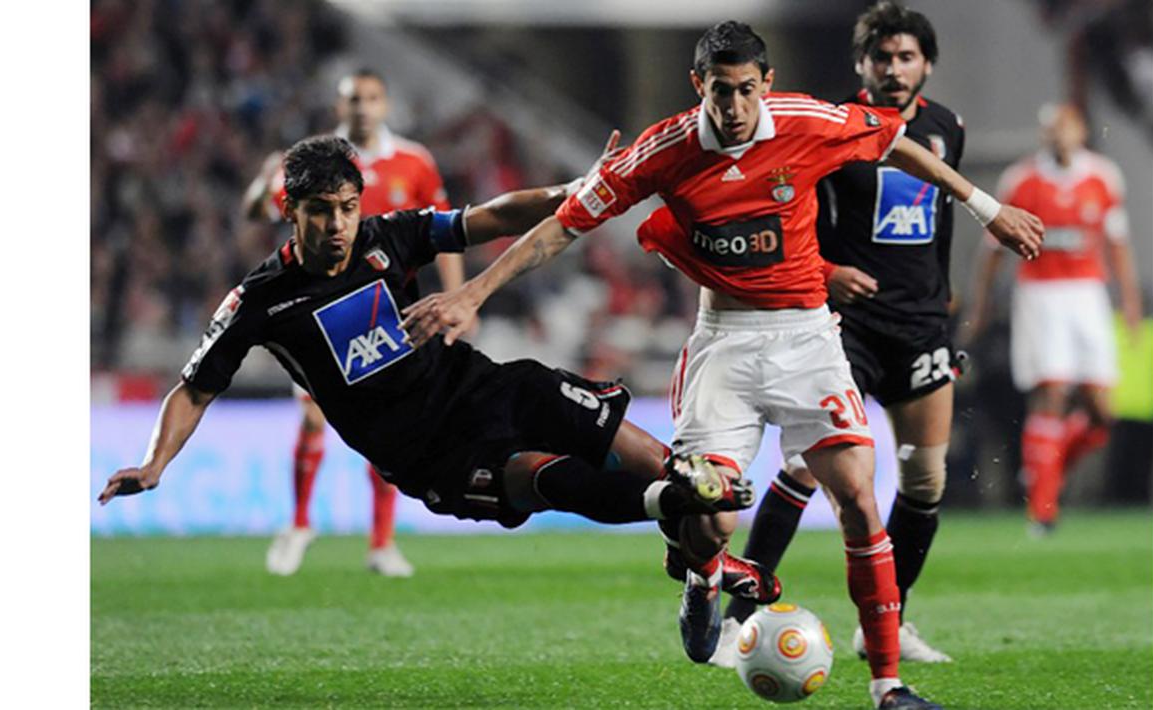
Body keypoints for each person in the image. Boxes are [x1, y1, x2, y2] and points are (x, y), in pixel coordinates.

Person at [401, 21, 1043, 710]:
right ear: (696, 86)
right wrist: (472, 291)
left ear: (765, 84)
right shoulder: (663, 150)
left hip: (805, 340)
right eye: (719, 92)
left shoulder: (806, 120)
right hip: (725, 346)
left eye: (744, 91)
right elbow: (561, 225)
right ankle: (704, 575)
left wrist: (984, 207)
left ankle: (888, 686)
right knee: (707, 516)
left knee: (858, 494)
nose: (733, 108)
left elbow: (894, 142)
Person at [98, 135, 778, 626]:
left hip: (487, 387)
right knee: (544, 476)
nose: (336, 225)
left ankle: (699, 552)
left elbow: (486, 218)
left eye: (345, 207)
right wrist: (156, 462)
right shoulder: (261, 301)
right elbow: (194, 386)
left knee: (679, 478)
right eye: (319, 211)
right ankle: (673, 513)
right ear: (290, 211)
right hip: (428, 453)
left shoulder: (388, 236)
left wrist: (574, 193)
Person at [677, 1, 960, 667]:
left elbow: (938, 219)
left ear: (926, 64)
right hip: (840, 322)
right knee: (808, 466)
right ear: (860, 63)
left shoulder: (947, 128)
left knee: (924, 478)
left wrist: (941, 301)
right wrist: (826, 272)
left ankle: (887, 624)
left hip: (918, 324)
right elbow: (786, 215)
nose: (893, 69)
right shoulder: (826, 127)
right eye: (881, 57)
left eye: (906, 57)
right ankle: (738, 616)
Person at [242, 68, 464, 577]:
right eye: (352, 99)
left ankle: (381, 543)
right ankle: (299, 523)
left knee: (385, 426)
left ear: (384, 105)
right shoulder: (315, 163)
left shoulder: (415, 161)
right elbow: (260, 208)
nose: (362, 107)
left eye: (370, 98)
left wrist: (456, 298)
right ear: (339, 107)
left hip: (390, 313)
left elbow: (446, 230)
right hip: (322, 308)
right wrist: (261, 183)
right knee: (312, 415)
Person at [962, 103, 1141, 537]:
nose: (1058, 135)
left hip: (1087, 296)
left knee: (1101, 412)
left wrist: (1130, 301)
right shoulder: (1022, 180)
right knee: (1052, 393)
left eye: (1065, 127)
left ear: (1080, 130)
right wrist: (980, 306)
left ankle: (1047, 470)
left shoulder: (1102, 176)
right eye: (1051, 129)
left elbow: (1116, 245)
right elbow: (992, 253)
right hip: (1040, 296)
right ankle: (1041, 510)